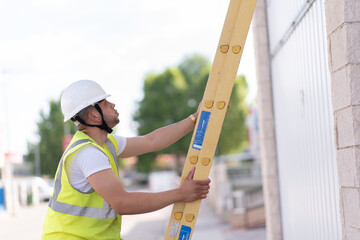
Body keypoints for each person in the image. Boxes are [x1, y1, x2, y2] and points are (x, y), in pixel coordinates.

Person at [41, 79, 210, 240]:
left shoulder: (105, 144)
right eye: (106, 103)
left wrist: (195, 119)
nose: (113, 104)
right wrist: (181, 193)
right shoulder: (88, 153)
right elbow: (123, 203)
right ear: (94, 115)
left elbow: (152, 141)